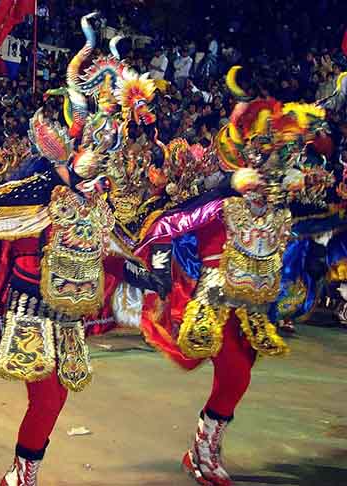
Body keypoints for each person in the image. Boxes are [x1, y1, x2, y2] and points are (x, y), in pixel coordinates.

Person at [0, 15, 168, 485]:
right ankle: (21, 478)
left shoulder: (93, 196)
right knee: (46, 397)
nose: (103, 158)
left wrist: (138, 274)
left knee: (57, 397)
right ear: (75, 141)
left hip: (68, 307)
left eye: (111, 149)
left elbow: (102, 247)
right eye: (97, 147)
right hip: (31, 304)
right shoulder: (40, 181)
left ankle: (21, 473)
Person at [137, 84, 329, 486]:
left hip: (255, 306)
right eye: (259, 151)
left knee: (238, 378)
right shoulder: (221, 198)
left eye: (272, 153)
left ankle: (201, 450)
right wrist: (229, 186)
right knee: (236, 374)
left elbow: (319, 216)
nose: (265, 161)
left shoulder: (277, 203)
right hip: (217, 302)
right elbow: (167, 224)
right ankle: (203, 453)